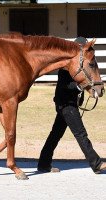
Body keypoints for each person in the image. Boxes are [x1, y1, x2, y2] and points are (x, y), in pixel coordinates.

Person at [37, 37, 106, 174]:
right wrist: (81, 87)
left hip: (67, 104)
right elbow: (65, 86)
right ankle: (96, 163)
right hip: (66, 105)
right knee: (80, 134)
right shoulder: (66, 66)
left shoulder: (77, 64)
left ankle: (43, 164)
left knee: (55, 135)